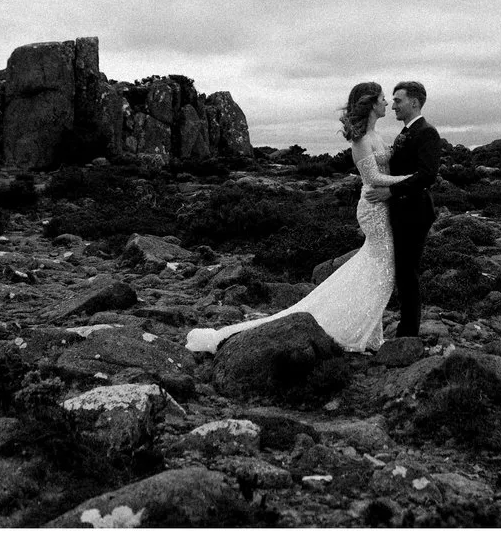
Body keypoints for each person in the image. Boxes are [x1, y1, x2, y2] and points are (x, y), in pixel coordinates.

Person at [184, 81, 413, 354]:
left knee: (376, 269)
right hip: (374, 209)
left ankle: (369, 333)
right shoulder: (361, 140)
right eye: (383, 99)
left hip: (382, 206)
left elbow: (387, 161)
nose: (387, 103)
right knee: (383, 270)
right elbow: (373, 177)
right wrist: (413, 179)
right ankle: (356, 329)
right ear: (371, 104)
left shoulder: (375, 135)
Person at [382, 80, 443, 340]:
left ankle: (408, 333)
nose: (392, 104)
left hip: (415, 211)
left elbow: (428, 174)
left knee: (408, 272)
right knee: (403, 270)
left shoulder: (426, 132)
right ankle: (406, 328)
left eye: (398, 100)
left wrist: (391, 191)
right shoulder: (407, 131)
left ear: (414, 102)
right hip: (402, 210)